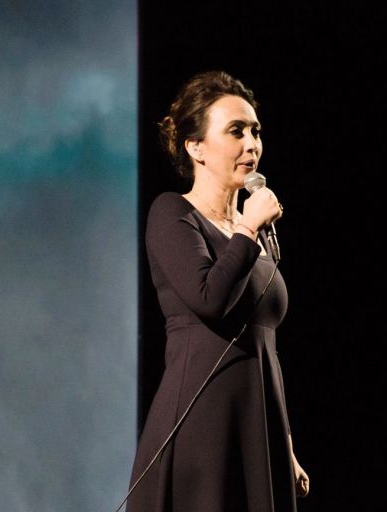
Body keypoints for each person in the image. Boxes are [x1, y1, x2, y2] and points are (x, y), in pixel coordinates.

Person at [127, 70, 309, 512]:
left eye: (255, 131)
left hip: (257, 424)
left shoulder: (251, 235)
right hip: (202, 424)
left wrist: (284, 443)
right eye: (235, 131)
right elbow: (210, 299)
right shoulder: (174, 214)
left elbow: (267, 345)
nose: (252, 144)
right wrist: (247, 227)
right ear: (196, 147)